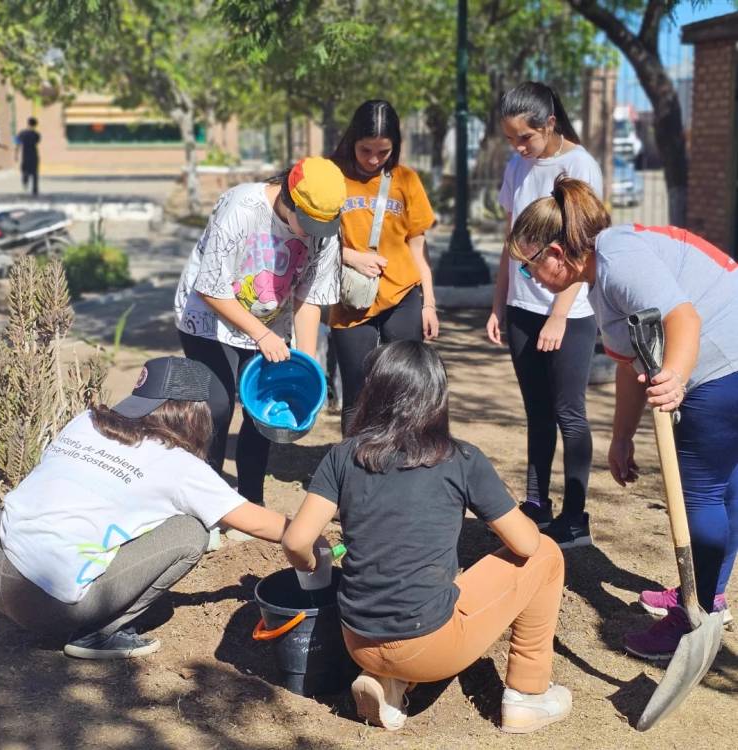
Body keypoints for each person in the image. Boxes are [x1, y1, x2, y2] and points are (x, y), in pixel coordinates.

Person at [282, 341, 570, 734]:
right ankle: (529, 696)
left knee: (434, 598)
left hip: (357, 640)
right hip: (429, 646)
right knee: (549, 556)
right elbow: (527, 545)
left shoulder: (343, 456)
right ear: (437, 397)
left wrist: (313, 566)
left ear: (373, 392)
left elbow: (296, 541)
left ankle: (387, 682)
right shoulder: (462, 460)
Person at [507, 175, 738, 660]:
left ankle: (693, 616)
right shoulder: (602, 280)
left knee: (701, 493)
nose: (532, 281)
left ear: (554, 252)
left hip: (723, 364)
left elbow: (683, 319)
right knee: (728, 487)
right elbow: (632, 366)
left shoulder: (617, 259)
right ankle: (708, 597)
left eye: (529, 270)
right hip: (720, 362)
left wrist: (675, 375)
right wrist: (621, 439)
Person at [0, 357, 294, 659]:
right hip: (44, 605)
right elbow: (255, 522)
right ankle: (98, 635)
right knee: (191, 532)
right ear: (194, 414)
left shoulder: (86, 421)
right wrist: (310, 532)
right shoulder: (177, 464)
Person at [174, 156, 346, 505]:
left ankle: (250, 500)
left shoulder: (325, 234)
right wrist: (261, 334)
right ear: (289, 198)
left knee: (263, 406)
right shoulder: (243, 208)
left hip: (269, 322)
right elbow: (211, 288)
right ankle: (208, 502)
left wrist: (306, 361)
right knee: (217, 406)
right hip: (209, 320)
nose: (315, 235)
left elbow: (310, 297)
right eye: (309, 224)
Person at [486, 82, 603, 549]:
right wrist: (499, 302)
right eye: (511, 139)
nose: (518, 148)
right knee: (536, 412)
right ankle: (537, 503)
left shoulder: (579, 166)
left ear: (549, 124)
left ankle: (576, 517)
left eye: (525, 138)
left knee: (569, 413)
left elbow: (584, 249)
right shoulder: (518, 166)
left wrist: (559, 314)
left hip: (568, 314)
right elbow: (510, 239)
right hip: (521, 308)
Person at [330, 100, 439, 435]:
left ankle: (402, 465)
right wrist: (351, 256)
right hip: (350, 297)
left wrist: (429, 304)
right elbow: (311, 243)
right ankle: (351, 470)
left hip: (404, 292)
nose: (374, 160)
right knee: (357, 392)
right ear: (352, 141)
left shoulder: (406, 180)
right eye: (366, 150)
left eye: (383, 151)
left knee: (407, 386)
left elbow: (418, 250)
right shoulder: (332, 176)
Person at [15, 117, 41, 196]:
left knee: (25, 171)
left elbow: (17, 144)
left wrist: (16, 154)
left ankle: (25, 181)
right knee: (35, 173)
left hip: (25, 155)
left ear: (28, 123)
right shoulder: (37, 134)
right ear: (35, 125)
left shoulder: (22, 133)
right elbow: (37, 142)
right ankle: (35, 189)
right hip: (34, 155)